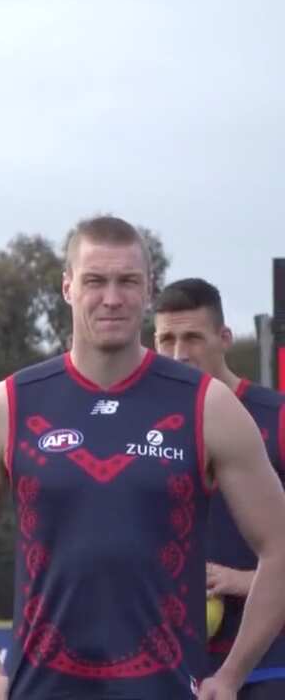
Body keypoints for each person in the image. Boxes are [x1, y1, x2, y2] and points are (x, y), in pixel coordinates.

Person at [0, 215, 285, 700]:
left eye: (128, 282)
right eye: (96, 281)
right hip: (42, 688)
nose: (112, 298)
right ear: (68, 288)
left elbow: (280, 545)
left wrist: (231, 675)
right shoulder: (8, 406)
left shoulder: (207, 407)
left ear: (148, 290)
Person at [155, 277, 285, 698]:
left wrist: (248, 581)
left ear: (224, 337)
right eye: (166, 339)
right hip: (169, 669)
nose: (178, 354)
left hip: (269, 669)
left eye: (192, 337)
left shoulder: (276, 419)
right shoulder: (140, 426)